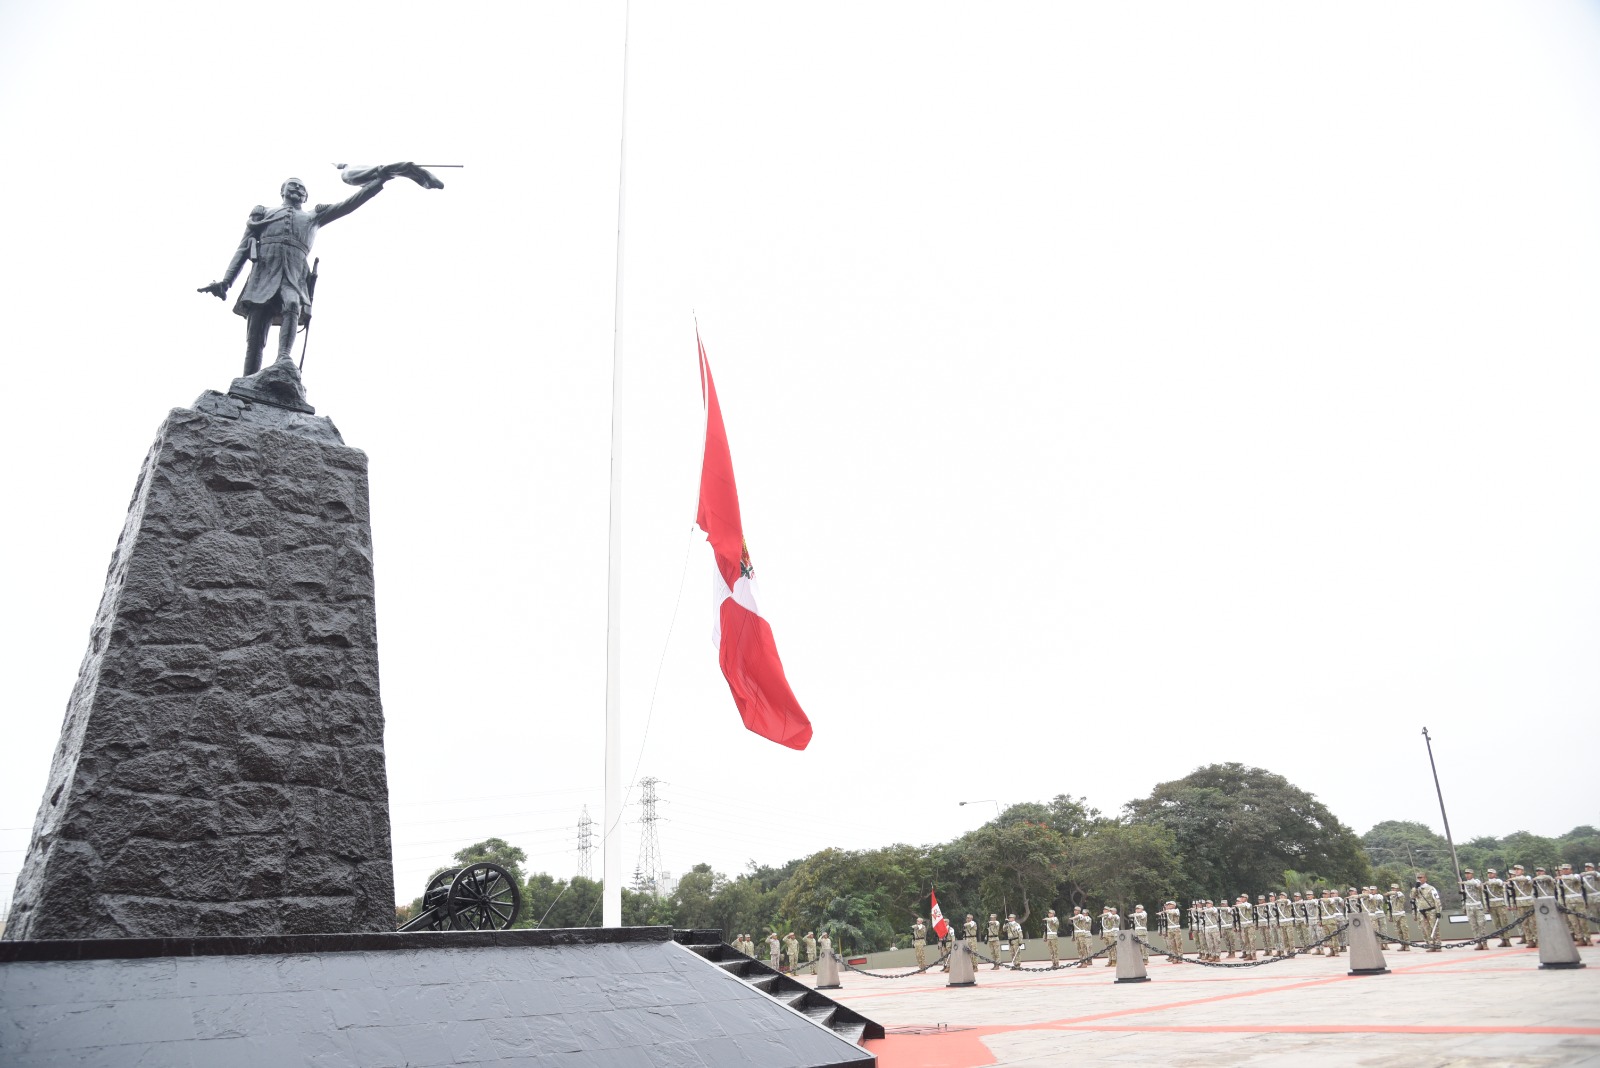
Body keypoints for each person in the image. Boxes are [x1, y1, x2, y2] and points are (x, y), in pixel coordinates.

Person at [198, 168, 426, 376]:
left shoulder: (313, 217)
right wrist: (226, 282)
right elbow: (243, 249)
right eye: (293, 185)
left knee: (293, 304)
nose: (297, 189)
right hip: (264, 273)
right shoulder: (263, 213)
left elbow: (349, 204)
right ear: (283, 191)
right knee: (256, 334)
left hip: (294, 274)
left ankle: (284, 359)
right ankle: (246, 382)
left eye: (302, 188)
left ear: (306, 197)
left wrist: (378, 181)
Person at [1558, 864, 1591, 946]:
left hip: (1578, 901)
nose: (1565, 870)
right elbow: (1561, 893)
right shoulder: (1560, 880)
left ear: (1571, 870)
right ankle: (1580, 938)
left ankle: (1588, 938)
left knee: (1583, 921)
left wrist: (1563, 877)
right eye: (1563, 869)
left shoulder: (1575, 876)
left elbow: (1576, 879)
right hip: (1568, 902)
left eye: (1566, 869)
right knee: (1574, 922)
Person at [1412, 875, 1442, 952]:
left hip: (1431, 911)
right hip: (1422, 911)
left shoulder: (1431, 888)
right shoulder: (1416, 889)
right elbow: (1412, 897)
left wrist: (1438, 911)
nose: (1419, 879)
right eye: (1418, 878)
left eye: (1421, 877)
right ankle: (1431, 945)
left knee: (1434, 928)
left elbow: (1437, 900)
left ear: (1425, 879)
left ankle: (1438, 945)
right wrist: (1415, 888)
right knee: (1426, 929)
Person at [1484, 869, 1513, 947]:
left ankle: (1507, 939)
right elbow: (1485, 896)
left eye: (1491, 873)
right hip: (1492, 905)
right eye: (1488, 873)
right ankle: (1502, 939)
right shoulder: (1486, 884)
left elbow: (1500, 883)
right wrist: (1487, 906)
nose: (1489, 874)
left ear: (1495, 874)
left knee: (1504, 922)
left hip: (1500, 904)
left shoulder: (1498, 880)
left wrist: (1490, 882)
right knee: (1496, 924)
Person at [1509, 865, 1538, 946]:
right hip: (1520, 904)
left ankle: (1537, 939)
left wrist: (1513, 879)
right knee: (1524, 923)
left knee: (1533, 922)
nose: (1516, 871)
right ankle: (1529, 940)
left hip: (1528, 903)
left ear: (1523, 871)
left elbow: (1525, 880)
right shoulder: (1513, 881)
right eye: (1515, 870)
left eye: (1518, 870)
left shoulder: (1526, 877)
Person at [1461, 869, 1488, 950]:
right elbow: (1464, 896)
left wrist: (1465, 882)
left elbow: (1478, 885)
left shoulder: (1476, 881)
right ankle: (1478, 943)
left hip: (1477, 905)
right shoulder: (1464, 884)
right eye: (1466, 874)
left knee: (1481, 925)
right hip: (1469, 906)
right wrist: (1464, 907)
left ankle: (1485, 943)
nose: (1467, 875)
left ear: (1472, 874)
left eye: (1469, 873)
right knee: (1474, 926)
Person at [1386, 883, 1412, 950]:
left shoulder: (1400, 894)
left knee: (1404, 929)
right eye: (1392, 888)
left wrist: (1390, 893)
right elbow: (1389, 907)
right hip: (1394, 915)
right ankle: (1402, 944)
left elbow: (1397, 895)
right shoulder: (1391, 897)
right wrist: (1389, 915)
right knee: (1398, 931)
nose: (1393, 889)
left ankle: (1407, 945)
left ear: (1398, 889)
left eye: (1394, 888)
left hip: (1401, 914)